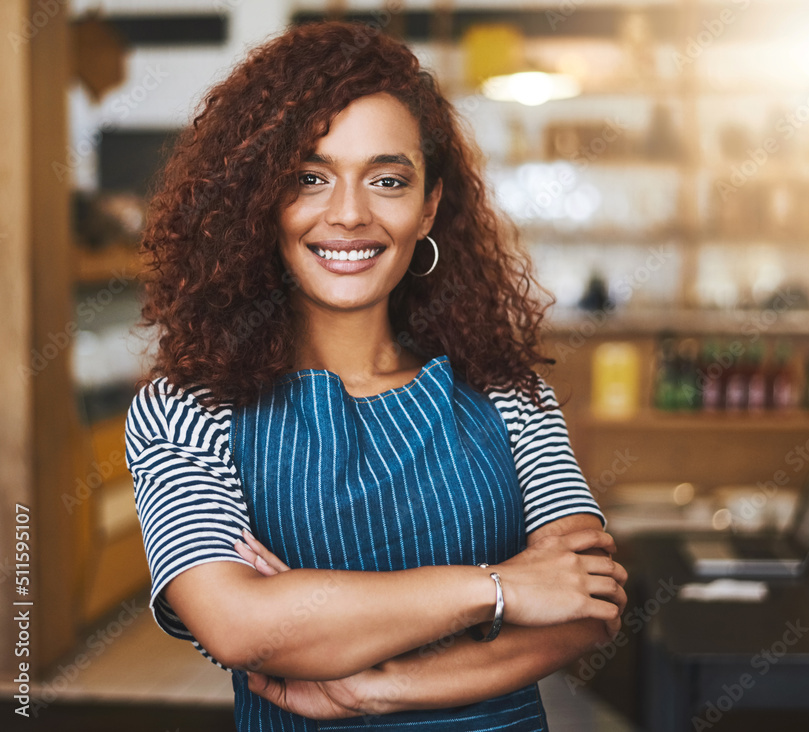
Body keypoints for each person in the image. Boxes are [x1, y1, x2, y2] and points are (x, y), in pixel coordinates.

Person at [125, 20, 626, 732]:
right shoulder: (185, 411)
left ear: (427, 208)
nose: (350, 213)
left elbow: (589, 604)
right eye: (309, 178)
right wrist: (504, 587)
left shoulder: (508, 392)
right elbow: (237, 626)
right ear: (257, 201)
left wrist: (375, 686)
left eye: (387, 180)